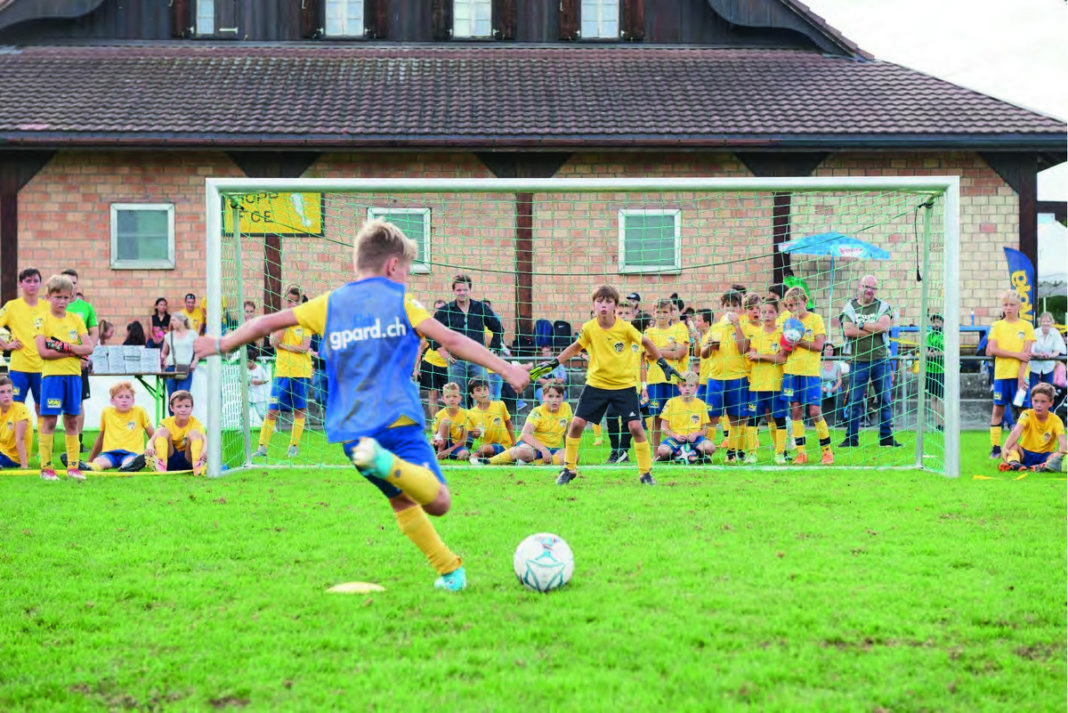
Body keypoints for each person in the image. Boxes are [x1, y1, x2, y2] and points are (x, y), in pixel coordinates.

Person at [193, 218, 531, 592]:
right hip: (398, 421)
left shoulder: (329, 303)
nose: (406, 278)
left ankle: (449, 570)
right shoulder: (402, 302)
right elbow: (452, 340)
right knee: (438, 501)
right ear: (393, 265)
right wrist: (506, 368)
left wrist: (220, 344)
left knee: (402, 502)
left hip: (354, 433)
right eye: (406, 271)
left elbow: (265, 323)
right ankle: (393, 472)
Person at [544, 285, 675, 486]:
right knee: (577, 424)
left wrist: (663, 364)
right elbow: (575, 347)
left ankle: (645, 473)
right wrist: (555, 362)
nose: (603, 306)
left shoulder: (625, 328)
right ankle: (568, 469)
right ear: (593, 305)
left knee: (636, 427)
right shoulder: (589, 328)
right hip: (596, 385)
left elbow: (647, 343)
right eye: (599, 302)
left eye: (608, 302)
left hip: (624, 386)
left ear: (615, 305)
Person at [33, 275, 93, 481]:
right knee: (50, 421)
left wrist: (64, 347)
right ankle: (46, 468)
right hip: (52, 378)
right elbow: (44, 352)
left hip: (74, 377)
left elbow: (88, 347)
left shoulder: (76, 319)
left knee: (72, 421)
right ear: (48, 297)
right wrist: (73, 351)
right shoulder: (42, 319)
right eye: (58, 297)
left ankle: (73, 467)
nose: (62, 301)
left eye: (66, 297)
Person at [839, 275, 900, 448]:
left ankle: (886, 437)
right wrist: (873, 329)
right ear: (859, 287)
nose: (870, 291)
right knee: (854, 401)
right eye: (867, 287)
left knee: (885, 400)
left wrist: (859, 325)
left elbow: (883, 327)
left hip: (880, 360)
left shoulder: (883, 306)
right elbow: (848, 331)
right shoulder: (850, 307)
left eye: (873, 288)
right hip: (858, 361)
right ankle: (851, 438)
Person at [253, 285, 312, 459]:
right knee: (272, 410)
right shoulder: (280, 321)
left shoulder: (305, 322)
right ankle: (262, 448)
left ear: (299, 302)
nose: (291, 304)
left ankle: (293, 446)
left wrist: (284, 346)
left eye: (294, 301)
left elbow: (304, 348)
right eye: (289, 301)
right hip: (282, 373)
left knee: (299, 410)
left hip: (301, 372)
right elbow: (273, 342)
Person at [431, 274, 504, 406]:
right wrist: (441, 350)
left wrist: (494, 348)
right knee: (458, 399)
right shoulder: (446, 311)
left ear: (470, 290)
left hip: (478, 360)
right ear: (454, 291)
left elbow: (498, 327)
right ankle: (462, 420)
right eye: (458, 290)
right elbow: (431, 331)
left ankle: (480, 420)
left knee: (483, 397)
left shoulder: (480, 308)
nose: (462, 293)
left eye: (465, 289)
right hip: (456, 361)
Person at [700, 290, 755, 463]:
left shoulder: (744, 326)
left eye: (734, 305)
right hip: (715, 378)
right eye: (727, 306)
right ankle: (706, 453)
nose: (730, 309)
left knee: (735, 417)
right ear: (722, 307)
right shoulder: (715, 328)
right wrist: (709, 346)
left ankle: (732, 452)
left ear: (740, 308)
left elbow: (743, 349)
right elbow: (703, 354)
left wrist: (737, 325)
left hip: (737, 377)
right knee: (711, 417)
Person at [781, 286, 833, 465]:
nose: (793, 309)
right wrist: (786, 343)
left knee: (815, 411)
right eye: (789, 306)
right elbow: (784, 347)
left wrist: (799, 340)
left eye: (796, 304)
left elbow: (819, 346)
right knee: (795, 410)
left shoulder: (815, 319)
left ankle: (827, 452)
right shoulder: (786, 321)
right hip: (790, 372)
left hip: (810, 373)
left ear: (805, 301)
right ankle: (801, 453)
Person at [986, 290, 1036, 459]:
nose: (1008, 308)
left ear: (1019, 306)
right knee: (998, 409)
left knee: (1024, 411)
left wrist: (1021, 375)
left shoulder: (1027, 326)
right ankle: (995, 448)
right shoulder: (997, 326)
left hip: (1021, 376)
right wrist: (1016, 355)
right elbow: (992, 349)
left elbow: (1026, 354)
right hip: (1001, 375)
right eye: (1005, 304)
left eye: (1012, 305)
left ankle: (1026, 446)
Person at [484, 380, 572, 466]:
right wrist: (542, 449)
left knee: (573, 456)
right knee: (524, 451)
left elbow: (567, 433)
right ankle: (489, 462)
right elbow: (525, 435)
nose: (554, 400)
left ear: (563, 397)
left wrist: (566, 449)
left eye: (558, 396)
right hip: (532, 447)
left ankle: (532, 464)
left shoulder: (566, 408)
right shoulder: (537, 412)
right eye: (550, 396)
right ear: (543, 397)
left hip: (552, 450)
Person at [0, 267, 49, 414]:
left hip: (43, 367)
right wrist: (6, 345)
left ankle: (42, 431)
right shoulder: (11, 306)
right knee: (15, 406)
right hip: (19, 367)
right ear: (20, 283)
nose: (32, 284)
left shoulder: (47, 307)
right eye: (28, 281)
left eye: (35, 281)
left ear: (40, 283)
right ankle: (15, 430)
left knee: (42, 406)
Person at [643, 298, 690, 448]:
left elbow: (680, 354)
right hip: (655, 380)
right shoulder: (649, 332)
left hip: (674, 380)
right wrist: (670, 348)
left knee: (675, 416)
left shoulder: (679, 330)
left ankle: (677, 449)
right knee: (657, 417)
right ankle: (656, 453)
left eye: (665, 312)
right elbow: (647, 354)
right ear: (653, 313)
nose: (662, 315)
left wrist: (656, 350)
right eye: (658, 312)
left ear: (671, 314)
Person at [746, 299, 789, 464]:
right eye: (764, 312)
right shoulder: (756, 335)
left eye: (771, 312)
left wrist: (761, 356)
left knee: (779, 418)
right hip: (756, 384)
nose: (767, 315)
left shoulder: (781, 334)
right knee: (753, 419)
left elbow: (782, 358)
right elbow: (751, 355)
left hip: (775, 384)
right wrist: (766, 357)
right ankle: (752, 454)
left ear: (777, 314)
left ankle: (780, 453)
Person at [84, 381, 154, 472]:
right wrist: (90, 460)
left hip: (131, 453)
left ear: (133, 400)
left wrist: (157, 454)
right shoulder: (106, 412)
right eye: (120, 397)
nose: (124, 400)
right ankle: (89, 467)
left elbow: (153, 435)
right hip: (110, 453)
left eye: (128, 397)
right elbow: (100, 438)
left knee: (129, 462)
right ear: (112, 400)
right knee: (99, 461)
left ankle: (127, 468)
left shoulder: (139, 411)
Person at [998, 382, 1065, 473]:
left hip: (1045, 455)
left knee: (1058, 455)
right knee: (1012, 446)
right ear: (1031, 401)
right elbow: (1016, 432)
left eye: (1043, 402)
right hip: (1025, 453)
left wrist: (1060, 453)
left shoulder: (1056, 420)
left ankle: (1042, 466)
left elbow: (1062, 442)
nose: (1038, 405)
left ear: (1051, 402)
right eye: (1035, 401)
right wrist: (1005, 448)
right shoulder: (1026, 414)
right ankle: (1014, 463)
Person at [655, 371, 715, 463]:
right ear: (678, 387)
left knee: (710, 448)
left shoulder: (701, 404)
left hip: (695, 440)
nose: (687, 389)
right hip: (675, 439)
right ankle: (674, 456)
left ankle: (698, 455)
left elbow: (705, 430)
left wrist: (695, 434)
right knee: (662, 451)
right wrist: (675, 435)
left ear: (697, 387)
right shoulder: (671, 402)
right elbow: (664, 428)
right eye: (684, 385)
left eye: (691, 386)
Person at [146, 390, 207, 476]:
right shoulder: (166, 422)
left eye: (187, 406)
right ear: (172, 408)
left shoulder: (195, 423)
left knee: (194, 433)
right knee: (162, 431)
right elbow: (152, 440)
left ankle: (198, 467)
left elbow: (205, 440)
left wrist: (204, 450)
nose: (183, 410)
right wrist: (150, 447)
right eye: (179, 406)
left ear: (192, 407)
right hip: (170, 458)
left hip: (188, 458)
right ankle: (160, 465)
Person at [465, 377, 515, 463]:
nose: (482, 393)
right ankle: (490, 459)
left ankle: (493, 458)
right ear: (472, 395)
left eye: (485, 389)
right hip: (487, 445)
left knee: (484, 449)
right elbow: (473, 434)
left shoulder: (500, 405)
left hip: (503, 445)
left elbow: (509, 424)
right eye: (478, 390)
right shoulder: (471, 413)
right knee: (473, 456)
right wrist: (475, 434)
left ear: (488, 391)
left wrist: (514, 443)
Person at [416, 299, 450, 419]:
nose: (439, 311)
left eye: (442, 308)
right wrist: (416, 369)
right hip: (430, 364)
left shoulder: (452, 325)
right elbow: (420, 348)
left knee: (450, 396)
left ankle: (449, 422)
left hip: (448, 366)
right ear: (434, 310)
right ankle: (436, 423)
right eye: (437, 309)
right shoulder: (429, 327)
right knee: (433, 396)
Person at [431, 382, 472, 461]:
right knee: (446, 421)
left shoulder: (466, 414)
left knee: (464, 455)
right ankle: (440, 454)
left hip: (456, 446)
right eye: (448, 396)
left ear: (460, 398)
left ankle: (445, 455)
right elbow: (433, 436)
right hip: (442, 444)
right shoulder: (439, 415)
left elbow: (463, 440)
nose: (451, 399)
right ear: (443, 399)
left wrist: (448, 451)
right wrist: (434, 441)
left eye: (455, 396)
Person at [161, 313, 197, 403]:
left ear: (181, 321)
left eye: (174, 320)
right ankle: (172, 412)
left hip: (185, 368)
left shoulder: (192, 335)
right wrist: (163, 360)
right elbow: (164, 352)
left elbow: (198, 350)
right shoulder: (169, 335)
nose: (171, 322)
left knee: (183, 396)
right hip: (171, 368)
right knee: (172, 397)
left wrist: (195, 361)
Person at [0, 375, 33, 469]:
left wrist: (24, 466)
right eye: (2, 392)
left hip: (13, 457)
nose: (7, 395)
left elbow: (20, 439)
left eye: (9, 391)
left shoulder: (20, 410)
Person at [1030, 311, 1066, 387]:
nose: (1046, 323)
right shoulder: (1034, 332)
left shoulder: (1055, 333)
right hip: (1034, 366)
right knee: (1033, 388)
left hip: (1048, 366)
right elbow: (1030, 350)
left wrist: (1050, 355)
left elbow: (1057, 351)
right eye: (1044, 321)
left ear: (1052, 322)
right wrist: (1039, 355)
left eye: (1048, 321)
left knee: (1048, 389)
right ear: (1040, 322)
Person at [924, 314, 946, 428]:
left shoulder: (945, 336)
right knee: (933, 397)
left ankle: (943, 422)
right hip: (930, 370)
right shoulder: (928, 336)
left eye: (938, 322)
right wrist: (928, 354)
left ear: (942, 324)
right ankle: (938, 423)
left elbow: (947, 352)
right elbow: (925, 350)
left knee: (941, 398)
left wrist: (937, 354)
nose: (936, 324)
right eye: (934, 322)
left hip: (942, 370)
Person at [819, 342, 844, 427]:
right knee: (820, 393)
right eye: (827, 350)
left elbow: (839, 380)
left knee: (839, 393)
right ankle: (819, 419)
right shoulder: (819, 364)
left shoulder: (837, 365)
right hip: (821, 385)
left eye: (831, 350)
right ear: (823, 351)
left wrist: (835, 388)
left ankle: (838, 419)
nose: (829, 352)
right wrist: (822, 387)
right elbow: (816, 380)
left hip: (833, 385)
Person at [247, 356, 270, 426]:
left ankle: (271, 428)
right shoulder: (244, 370)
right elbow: (241, 381)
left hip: (259, 397)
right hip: (248, 396)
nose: (248, 363)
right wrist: (246, 383)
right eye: (247, 361)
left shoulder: (260, 369)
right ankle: (241, 429)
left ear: (254, 361)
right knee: (243, 413)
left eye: (250, 361)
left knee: (262, 414)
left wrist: (257, 382)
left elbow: (266, 380)